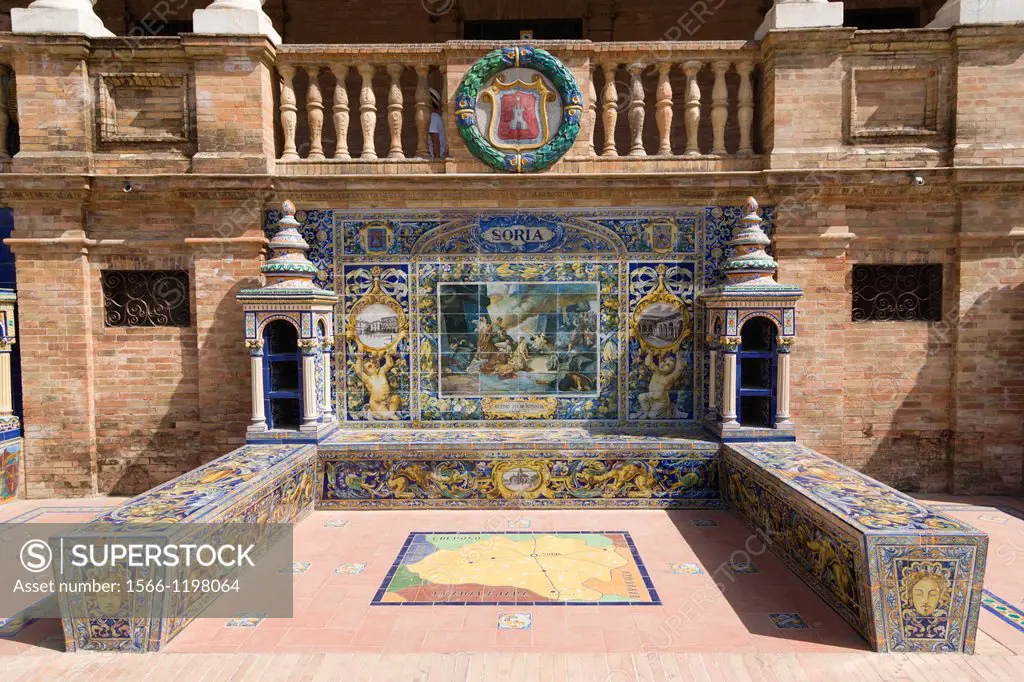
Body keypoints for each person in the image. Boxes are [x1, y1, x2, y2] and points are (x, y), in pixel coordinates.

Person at [427, 87, 446, 159]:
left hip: (436, 157)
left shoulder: (433, 117)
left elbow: (435, 141)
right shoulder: (436, 117)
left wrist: (437, 159)